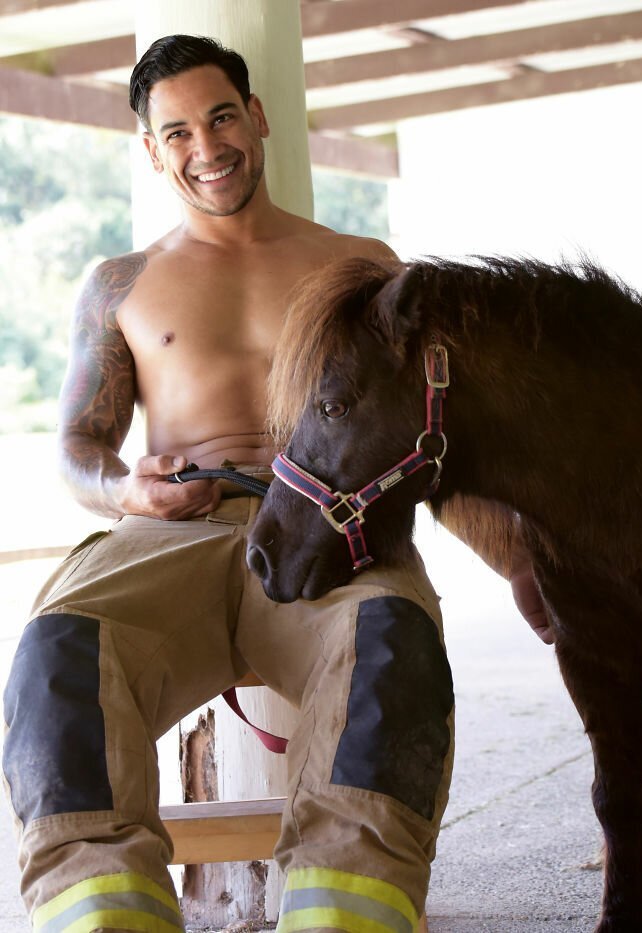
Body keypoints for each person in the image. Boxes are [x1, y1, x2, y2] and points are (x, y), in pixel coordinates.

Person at [2, 34, 549, 933]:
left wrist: (518, 555)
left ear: (257, 118)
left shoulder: (362, 265)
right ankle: (104, 914)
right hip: (169, 530)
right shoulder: (120, 285)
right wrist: (125, 491)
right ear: (150, 150)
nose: (206, 148)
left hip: (338, 529)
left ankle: (346, 915)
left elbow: (436, 428)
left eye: (221, 118)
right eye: (176, 132)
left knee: (391, 647)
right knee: (56, 651)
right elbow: (76, 443)